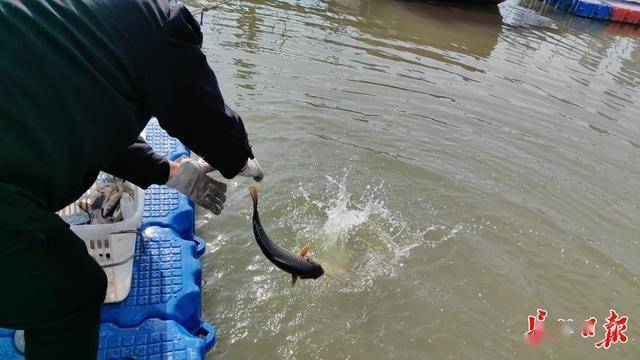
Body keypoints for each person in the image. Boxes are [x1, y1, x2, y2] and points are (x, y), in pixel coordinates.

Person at [0, 0, 264, 358]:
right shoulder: (162, 22)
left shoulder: (68, 21)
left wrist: (170, 172)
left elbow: (85, 118)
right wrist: (238, 157)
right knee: (71, 291)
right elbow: (200, 108)